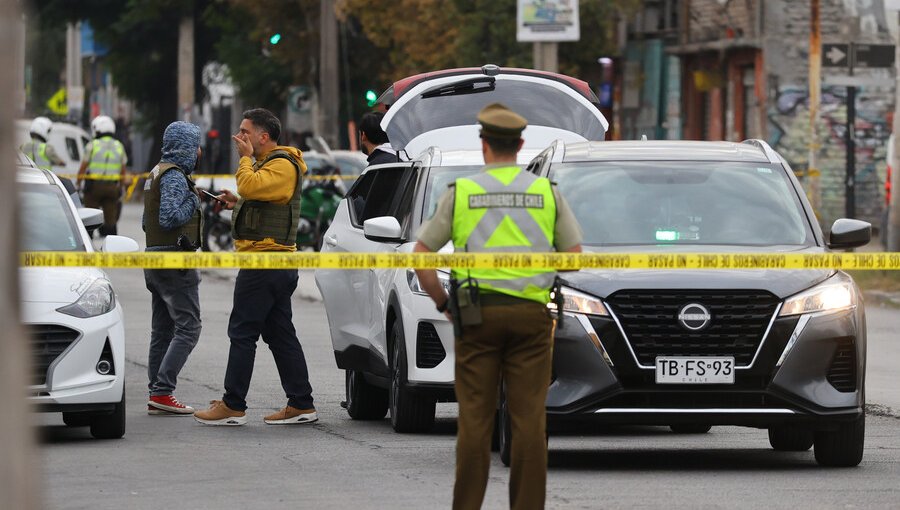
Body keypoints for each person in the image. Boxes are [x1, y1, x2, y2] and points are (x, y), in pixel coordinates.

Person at [413, 103, 583, 510]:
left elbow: (421, 256)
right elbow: (573, 257)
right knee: (528, 422)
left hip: (476, 316)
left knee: (475, 420)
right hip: (531, 318)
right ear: (521, 145)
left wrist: (444, 304)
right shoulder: (546, 193)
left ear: (484, 144)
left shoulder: (463, 193)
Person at [194, 108, 317, 426]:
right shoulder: (270, 165)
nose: (239, 137)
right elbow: (257, 195)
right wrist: (237, 202)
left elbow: (251, 186)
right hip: (270, 263)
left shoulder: (281, 165)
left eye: (245, 132)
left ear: (264, 136)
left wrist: (244, 162)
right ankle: (301, 402)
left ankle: (233, 404)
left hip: (265, 263)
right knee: (279, 334)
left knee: (242, 332)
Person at [142, 121, 204, 416]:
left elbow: (148, 223)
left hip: (154, 260)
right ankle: (164, 390)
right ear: (186, 147)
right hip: (174, 261)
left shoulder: (156, 172)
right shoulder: (176, 177)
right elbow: (169, 218)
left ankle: (157, 392)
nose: (199, 152)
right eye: (196, 146)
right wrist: (193, 199)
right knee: (189, 327)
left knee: (163, 330)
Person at [78, 115, 128, 236]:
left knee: (89, 216)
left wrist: (78, 184)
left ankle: (88, 239)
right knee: (111, 219)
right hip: (112, 188)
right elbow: (122, 170)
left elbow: (83, 167)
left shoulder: (92, 145)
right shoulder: (119, 146)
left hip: (94, 187)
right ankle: (111, 241)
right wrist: (121, 188)